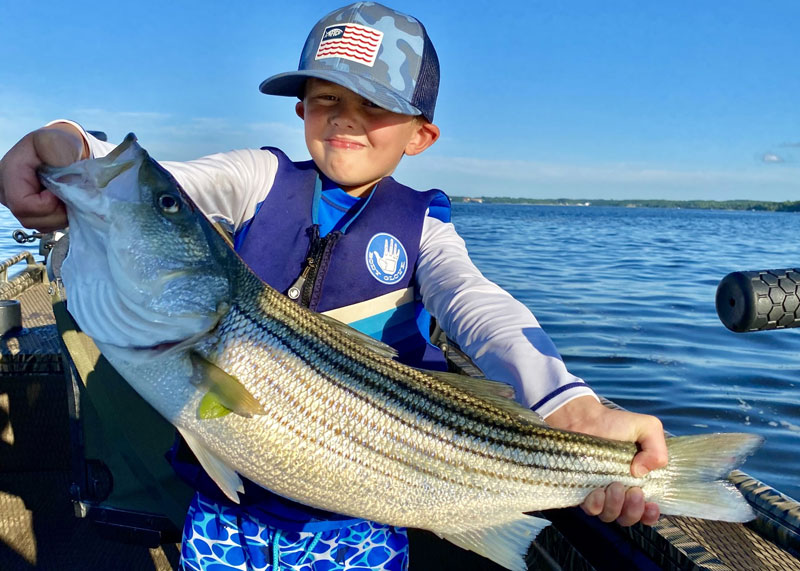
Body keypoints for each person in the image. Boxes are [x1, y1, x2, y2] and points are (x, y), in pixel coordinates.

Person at [0, 3, 667, 570]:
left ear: (420, 134)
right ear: (301, 110)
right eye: (327, 99)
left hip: (359, 521)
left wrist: (569, 405)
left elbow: (478, 306)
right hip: (225, 513)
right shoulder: (257, 177)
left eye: (374, 105)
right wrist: (69, 143)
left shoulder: (425, 228)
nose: (345, 118)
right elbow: (160, 188)